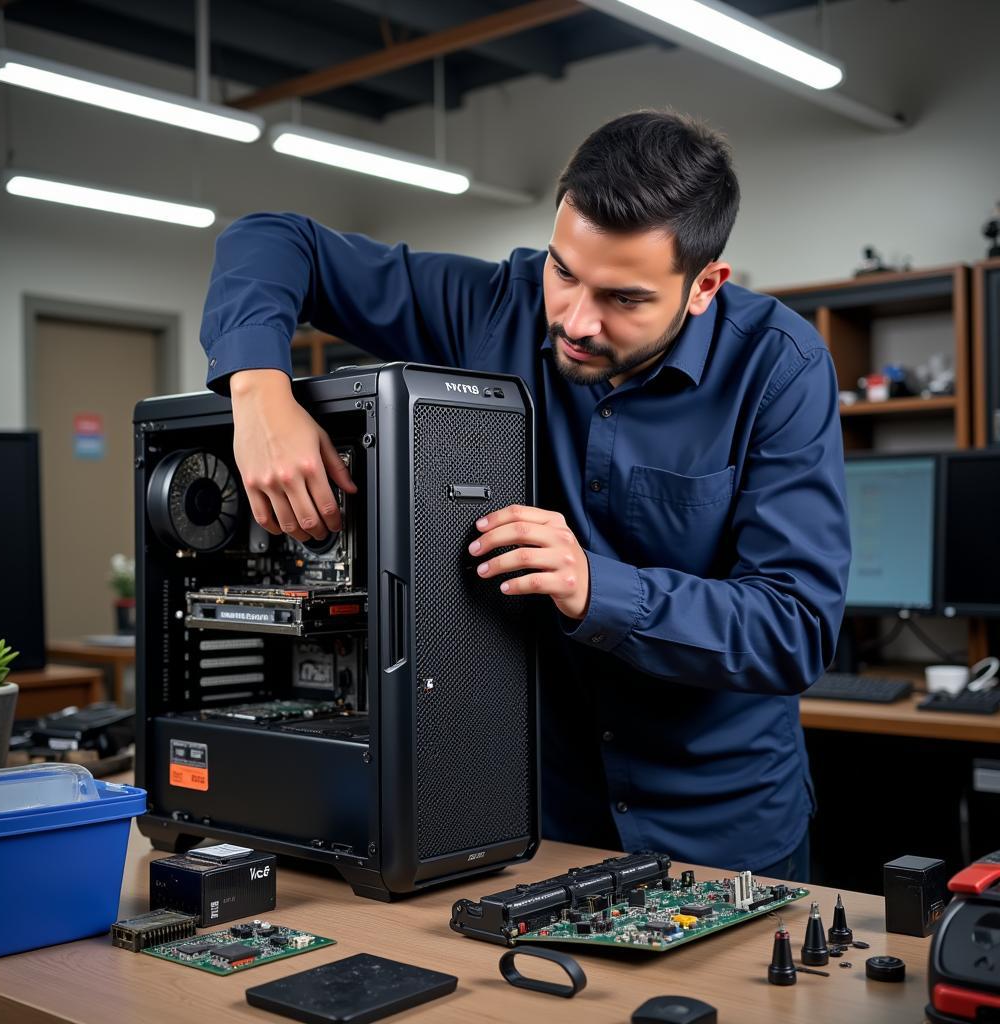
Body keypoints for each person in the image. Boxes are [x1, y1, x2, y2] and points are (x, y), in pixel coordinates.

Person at [200, 109, 851, 882]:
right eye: (564, 271)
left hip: (723, 831)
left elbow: (796, 627)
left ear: (705, 285)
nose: (575, 320)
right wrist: (258, 394)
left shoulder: (780, 369)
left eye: (623, 298)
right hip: (532, 817)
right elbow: (273, 239)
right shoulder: (493, 307)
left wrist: (594, 586)